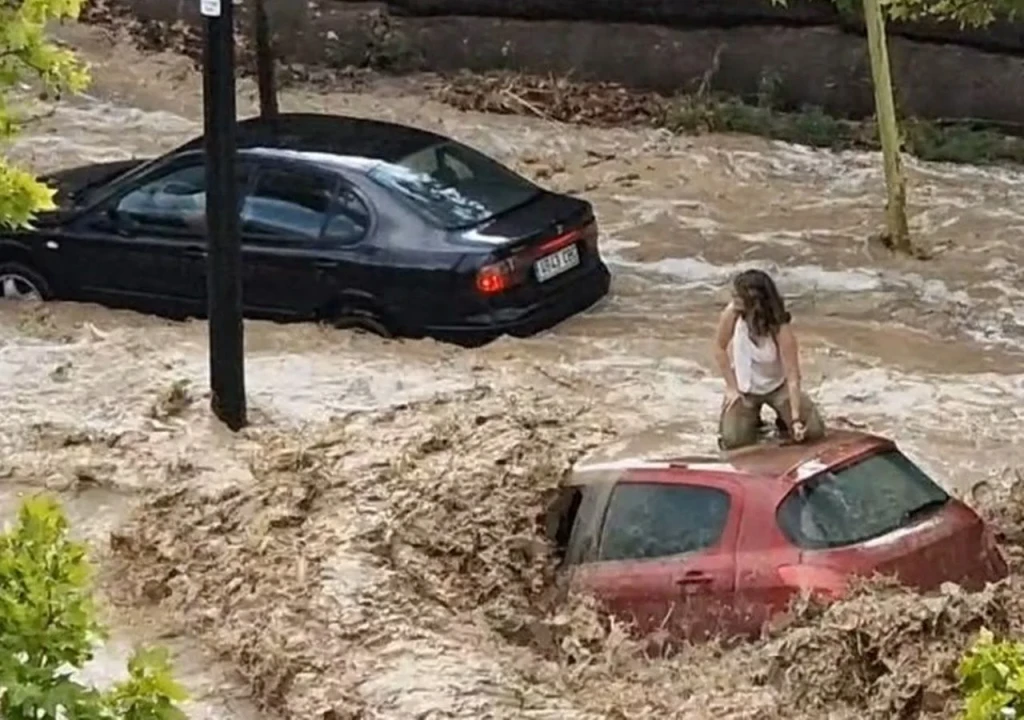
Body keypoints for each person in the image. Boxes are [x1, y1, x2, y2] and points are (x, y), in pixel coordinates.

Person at [712, 269, 825, 450]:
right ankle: (754, 421)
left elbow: (793, 376)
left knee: (813, 433)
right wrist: (731, 387)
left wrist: (795, 419)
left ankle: (783, 419)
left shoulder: (780, 327)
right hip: (745, 388)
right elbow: (719, 348)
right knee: (733, 442)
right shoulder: (732, 313)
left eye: (738, 295)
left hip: (777, 387)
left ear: (754, 300)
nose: (733, 298)